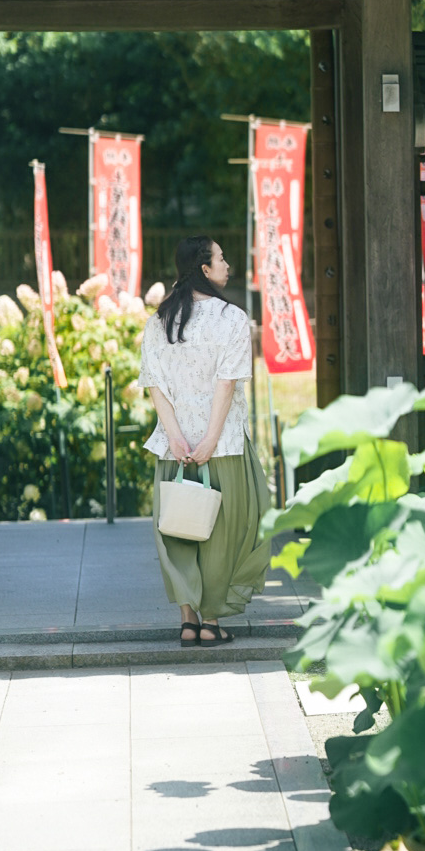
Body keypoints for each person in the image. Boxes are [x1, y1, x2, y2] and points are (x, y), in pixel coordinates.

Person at [139, 236, 271, 647]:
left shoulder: (159, 321)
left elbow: (155, 384)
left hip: (175, 450)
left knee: (178, 530)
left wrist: (177, 437)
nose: (227, 265)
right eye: (221, 258)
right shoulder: (232, 318)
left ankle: (187, 621)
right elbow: (226, 383)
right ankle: (211, 622)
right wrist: (210, 439)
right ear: (204, 268)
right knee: (225, 531)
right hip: (224, 445)